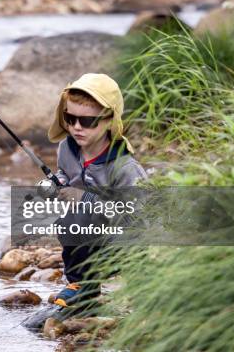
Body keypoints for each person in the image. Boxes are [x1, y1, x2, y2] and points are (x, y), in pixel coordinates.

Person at [22, 73, 147, 330]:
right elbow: (65, 175)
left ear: (109, 120)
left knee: (77, 219)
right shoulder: (67, 149)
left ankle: (85, 286)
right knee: (70, 221)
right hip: (90, 234)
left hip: (126, 243)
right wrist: (53, 184)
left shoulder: (124, 166)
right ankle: (82, 287)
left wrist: (86, 198)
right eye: (70, 118)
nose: (77, 127)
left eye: (88, 121)